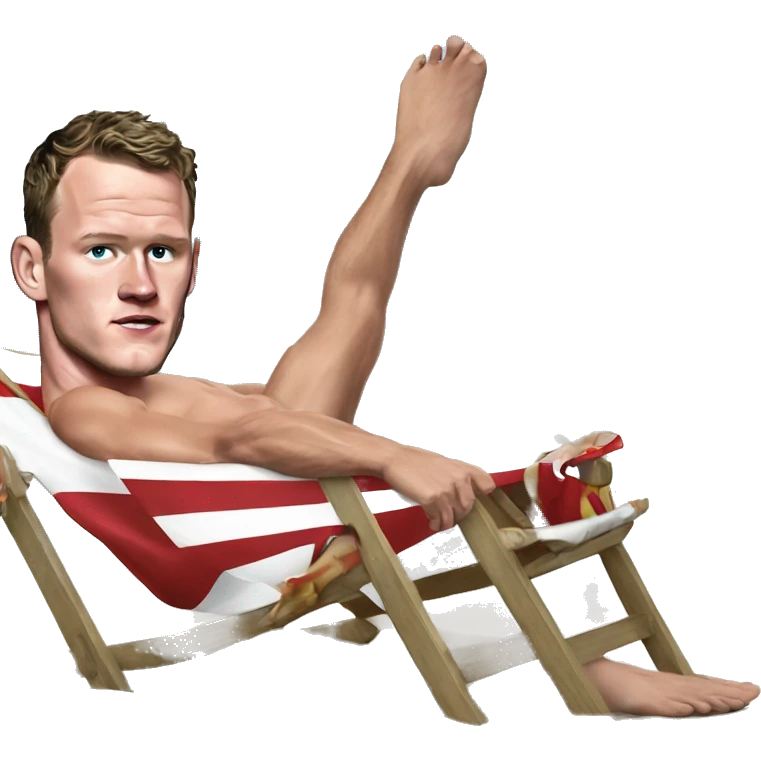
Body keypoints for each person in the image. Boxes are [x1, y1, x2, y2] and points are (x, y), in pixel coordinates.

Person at [5, 37, 758, 717]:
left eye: (163, 252)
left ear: (192, 266)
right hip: (259, 556)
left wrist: (407, 167)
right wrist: (393, 457)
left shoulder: (174, 394)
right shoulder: (87, 412)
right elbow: (246, 433)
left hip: (296, 511)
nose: (140, 285)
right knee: (407, 469)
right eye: (101, 250)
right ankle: (588, 668)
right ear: (32, 268)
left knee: (341, 325)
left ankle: (410, 167)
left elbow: (295, 387)